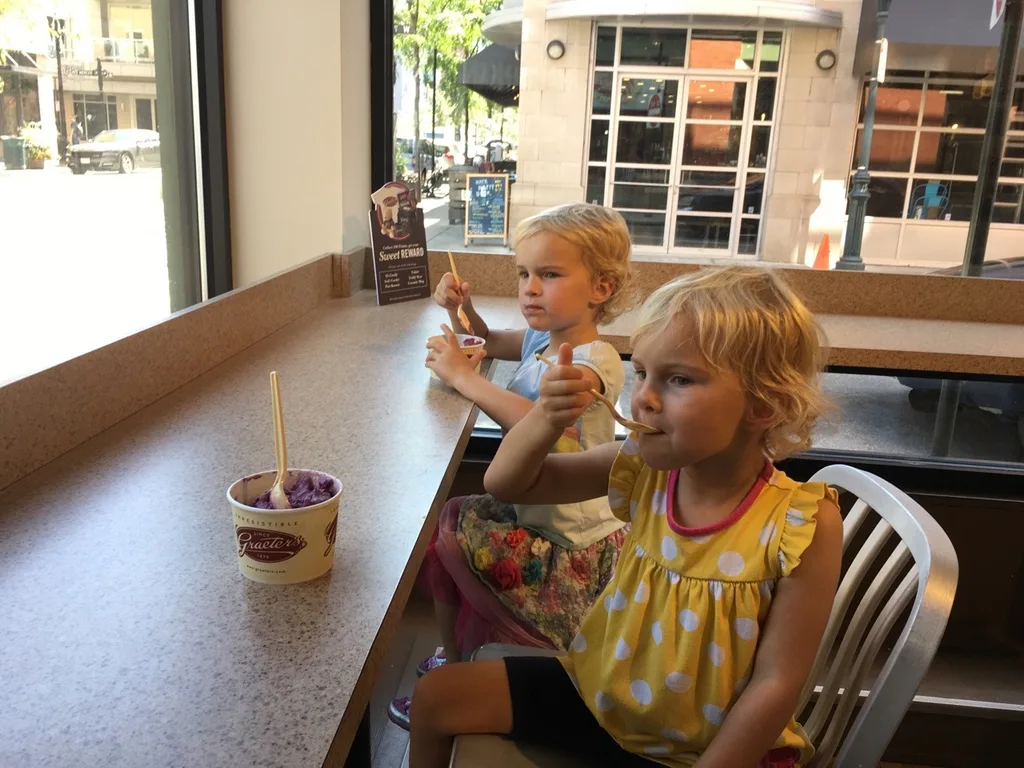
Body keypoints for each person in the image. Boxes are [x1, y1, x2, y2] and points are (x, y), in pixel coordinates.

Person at [409, 267, 844, 768]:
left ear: (765, 405)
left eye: (678, 379)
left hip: (700, 748)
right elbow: (505, 483)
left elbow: (776, 684)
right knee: (436, 696)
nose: (644, 398)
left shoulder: (801, 525)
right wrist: (546, 419)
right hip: (604, 699)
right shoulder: (640, 469)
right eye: (642, 373)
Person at [388, 203, 634, 729]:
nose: (528, 288)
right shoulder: (546, 339)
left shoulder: (593, 362)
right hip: (534, 507)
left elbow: (542, 420)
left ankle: (456, 674)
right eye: (524, 273)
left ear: (602, 288)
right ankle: (455, 661)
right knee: (451, 519)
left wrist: (462, 378)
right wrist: (466, 312)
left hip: (570, 538)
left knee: (453, 534)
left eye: (548, 275)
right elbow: (494, 340)